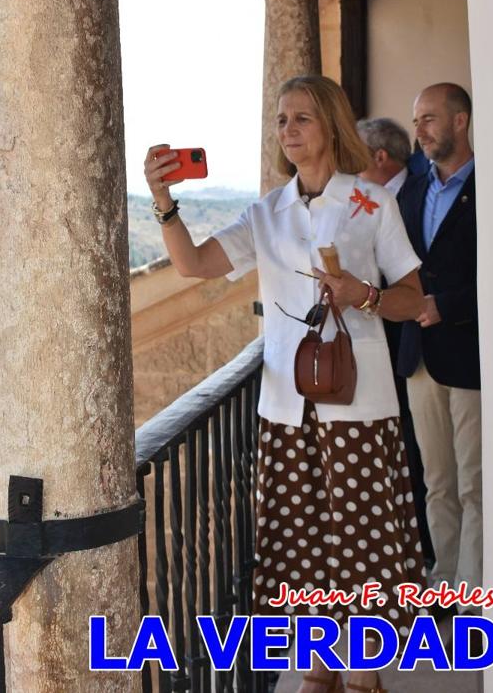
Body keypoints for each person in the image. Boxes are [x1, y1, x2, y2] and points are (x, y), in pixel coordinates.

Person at [144, 75, 426, 693]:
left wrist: (366, 294)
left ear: (330, 124)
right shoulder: (266, 212)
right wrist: (164, 202)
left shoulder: (371, 203)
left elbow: (413, 297)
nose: (288, 131)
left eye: (301, 118)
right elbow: (194, 265)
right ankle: (322, 671)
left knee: (362, 549)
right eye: (280, 120)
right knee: (300, 548)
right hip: (285, 408)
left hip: (359, 404)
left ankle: (364, 677)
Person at [397, 83, 481, 616]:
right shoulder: (410, 190)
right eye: (416, 120)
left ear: (460, 121)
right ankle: (445, 582)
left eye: (430, 119)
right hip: (418, 356)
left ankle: (474, 595)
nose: (420, 130)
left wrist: (446, 306)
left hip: (472, 355)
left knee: (476, 484)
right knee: (437, 482)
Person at [357, 117, 434, 566]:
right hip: (392, 354)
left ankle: (424, 558)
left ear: (380, 157)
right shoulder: (372, 200)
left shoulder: (416, 194)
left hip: (420, 346)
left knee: (424, 465)